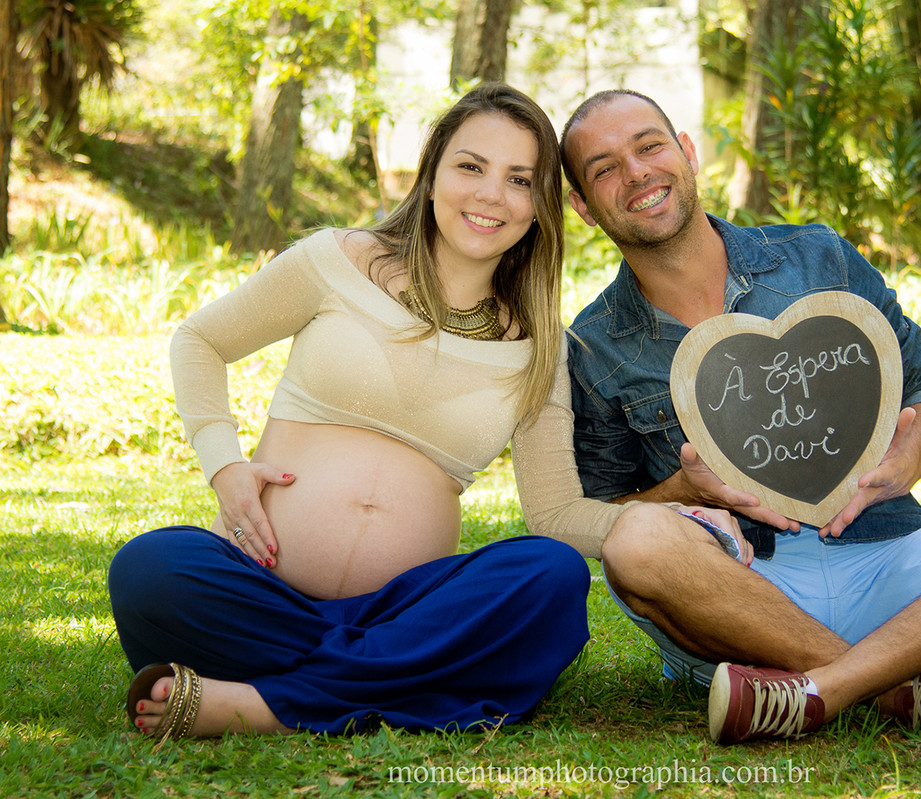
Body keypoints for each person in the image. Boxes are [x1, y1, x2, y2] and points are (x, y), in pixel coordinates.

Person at [558, 89, 921, 750]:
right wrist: (685, 492)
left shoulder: (816, 257)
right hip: (735, 598)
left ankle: (821, 690)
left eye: (648, 146)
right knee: (636, 542)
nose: (636, 173)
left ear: (685, 150)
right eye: (604, 169)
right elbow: (600, 515)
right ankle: (902, 691)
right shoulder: (594, 344)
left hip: (887, 561)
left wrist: (905, 461)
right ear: (584, 208)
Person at [108, 83, 637, 743]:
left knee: (550, 577)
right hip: (260, 589)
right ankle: (391, 681)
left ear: (541, 205)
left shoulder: (540, 345)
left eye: (519, 179)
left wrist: (668, 520)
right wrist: (224, 466)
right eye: (471, 166)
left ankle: (260, 705)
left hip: (403, 610)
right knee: (150, 568)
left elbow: (554, 515)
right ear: (434, 171)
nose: (490, 194)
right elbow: (199, 340)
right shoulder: (338, 260)